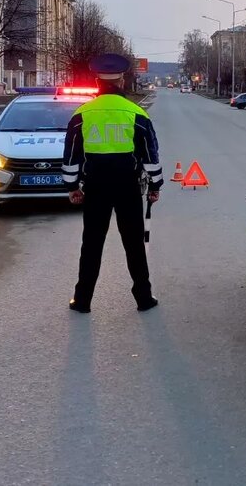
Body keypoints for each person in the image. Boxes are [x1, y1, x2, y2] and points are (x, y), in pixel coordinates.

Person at [61, 53, 164, 313]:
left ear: (97, 81)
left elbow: (71, 156)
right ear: (121, 79)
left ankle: (82, 300)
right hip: (128, 188)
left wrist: (72, 187)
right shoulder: (136, 113)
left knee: (92, 244)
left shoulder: (82, 114)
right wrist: (155, 186)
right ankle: (144, 298)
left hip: (95, 188)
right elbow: (151, 155)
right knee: (134, 245)